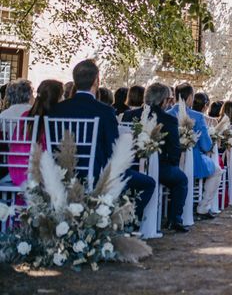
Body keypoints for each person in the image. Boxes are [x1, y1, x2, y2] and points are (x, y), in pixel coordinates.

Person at [51, 60, 155, 223]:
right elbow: (112, 149)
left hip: (61, 173)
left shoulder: (56, 110)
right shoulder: (105, 111)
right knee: (148, 183)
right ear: (96, 81)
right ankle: (128, 223)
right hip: (96, 173)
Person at [123, 82, 189, 231]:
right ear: (163, 100)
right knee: (182, 180)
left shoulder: (128, 115)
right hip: (161, 166)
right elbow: (174, 150)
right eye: (169, 100)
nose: (169, 103)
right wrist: (172, 163)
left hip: (130, 165)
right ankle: (174, 219)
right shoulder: (169, 120)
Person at [167, 83, 222, 219]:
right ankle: (203, 207)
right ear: (190, 97)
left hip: (170, 161)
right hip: (194, 162)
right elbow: (205, 145)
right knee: (217, 171)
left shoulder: (167, 114)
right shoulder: (197, 116)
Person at [9, 80, 63, 186]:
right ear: (56, 99)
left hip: (16, 171)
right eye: (62, 96)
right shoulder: (53, 119)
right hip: (38, 174)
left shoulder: (25, 116)